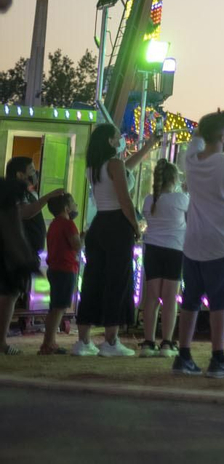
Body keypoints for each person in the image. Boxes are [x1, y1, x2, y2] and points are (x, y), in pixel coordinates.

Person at [173, 111, 224, 378]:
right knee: (221, 303)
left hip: (193, 243)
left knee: (190, 302)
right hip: (223, 243)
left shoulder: (191, 161)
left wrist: (208, 131)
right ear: (223, 136)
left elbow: (197, 139)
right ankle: (218, 357)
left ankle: (183, 355)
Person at [74, 125, 160, 357]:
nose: (121, 140)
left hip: (99, 225)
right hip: (116, 225)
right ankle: (111, 341)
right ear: (111, 141)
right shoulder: (115, 165)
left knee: (92, 281)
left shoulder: (94, 167)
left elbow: (127, 168)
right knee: (117, 282)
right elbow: (125, 199)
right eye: (117, 137)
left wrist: (149, 146)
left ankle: (83, 340)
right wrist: (135, 225)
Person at [1, 156, 66, 353]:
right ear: (20, 174)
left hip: (21, 253)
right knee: (8, 295)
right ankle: (2, 342)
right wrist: (47, 197)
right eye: (31, 169)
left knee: (11, 295)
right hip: (11, 255)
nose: (35, 172)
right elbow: (24, 214)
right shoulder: (12, 194)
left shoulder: (28, 193)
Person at [137, 158, 188, 358]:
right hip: (175, 249)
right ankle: (167, 342)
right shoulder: (182, 199)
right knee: (169, 298)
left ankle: (148, 343)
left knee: (151, 298)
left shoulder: (149, 200)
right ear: (174, 179)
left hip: (152, 249)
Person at [42, 193, 80, 355]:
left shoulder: (54, 224)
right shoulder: (68, 224)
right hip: (66, 269)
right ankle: (49, 344)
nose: (76, 206)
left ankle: (48, 342)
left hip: (54, 269)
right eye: (73, 203)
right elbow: (77, 246)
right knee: (59, 308)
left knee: (54, 307)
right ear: (66, 208)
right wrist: (85, 237)